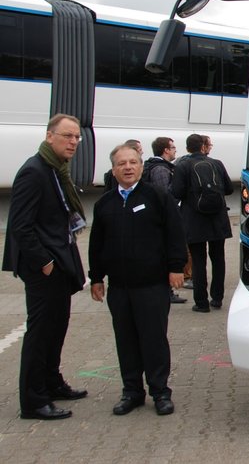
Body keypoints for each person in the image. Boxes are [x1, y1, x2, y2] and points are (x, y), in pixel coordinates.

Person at [89, 144, 186, 416]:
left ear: (141, 167)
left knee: (153, 340)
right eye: (122, 163)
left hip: (152, 286)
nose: (128, 167)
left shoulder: (157, 197)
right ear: (114, 169)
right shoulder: (104, 204)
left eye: (133, 162)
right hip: (120, 289)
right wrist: (96, 277)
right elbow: (96, 244)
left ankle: (160, 392)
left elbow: (175, 233)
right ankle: (131, 391)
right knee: (126, 340)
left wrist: (176, 267)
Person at [2, 114, 88, 420]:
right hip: (43, 268)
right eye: (67, 136)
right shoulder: (34, 171)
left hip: (60, 262)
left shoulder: (56, 169)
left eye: (77, 137)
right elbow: (21, 226)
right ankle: (33, 400)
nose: (74, 142)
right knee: (40, 333)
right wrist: (46, 263)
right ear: (49, 136)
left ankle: (52, 382)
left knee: (57, 327)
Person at [171, 133, 233, 312]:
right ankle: (218, 298)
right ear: (203, 147)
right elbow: (228, 189)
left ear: (188, 147)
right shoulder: (217, 164)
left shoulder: (183, 166)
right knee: (218, 258)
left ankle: (201, 302)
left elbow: (176, 192)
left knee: (198, 261)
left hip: (194, 219)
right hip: (218, 218)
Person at [142, 137, 187, 304]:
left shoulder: (160, 167)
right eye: (173, 147)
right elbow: (165, 195)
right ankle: (166, 291)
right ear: (166, 150)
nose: (175, 150)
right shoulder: (161, 169)